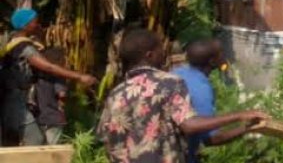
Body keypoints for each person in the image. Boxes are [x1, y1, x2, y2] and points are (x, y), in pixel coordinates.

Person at [97, 28, 268, 162]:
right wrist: (241, 116)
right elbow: (189, 125)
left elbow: (106, 138)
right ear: (150, 55)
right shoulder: (170, 82)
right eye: (160, 49)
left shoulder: (115, 94)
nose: (164, 53)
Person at [1, 8, 97, 147]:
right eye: (35, 22)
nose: (38, 25)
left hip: (13, 100)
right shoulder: (24, 47)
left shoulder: (13, 43)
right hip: (16, 103)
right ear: (25, 25)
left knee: (14, 143)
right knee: (35, 141)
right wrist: (80, 76)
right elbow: (48, 67)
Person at [172, 38, 252, 163]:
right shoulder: (201, 89)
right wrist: (248, 128)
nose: (224, 56)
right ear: (212, 61)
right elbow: (211, 139)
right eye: (221, 53)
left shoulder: (176, 72)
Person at [34, 47, 69, 145]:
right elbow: (62, 94)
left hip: (39, 118)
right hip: (54, 119)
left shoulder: (38, 77)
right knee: (53, 149)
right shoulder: (58, 76)